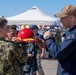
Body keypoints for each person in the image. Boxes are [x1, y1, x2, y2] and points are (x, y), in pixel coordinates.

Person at [43, 5, 76, 75]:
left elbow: (57, 53)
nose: (60, 20)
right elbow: (64, 52)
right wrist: (46, 46)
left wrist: (48, 38)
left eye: (63, 17)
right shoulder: (70, 33)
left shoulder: (74, 35)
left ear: (72, 17)